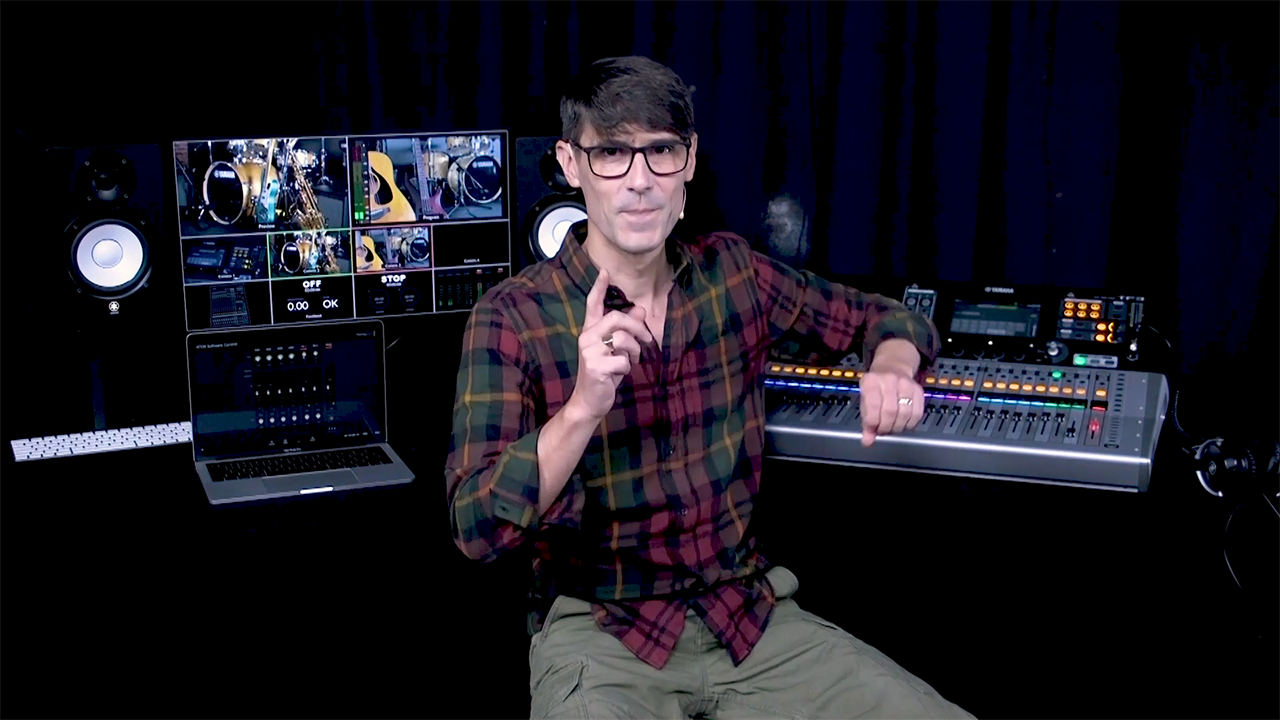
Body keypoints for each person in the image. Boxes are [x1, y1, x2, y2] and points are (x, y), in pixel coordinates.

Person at [445, 56, 976, 720]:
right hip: (603, 634)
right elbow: (476, 528)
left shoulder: (734, 273)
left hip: (748, 620)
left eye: (661, 151)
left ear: (689, 160)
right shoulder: (511, 317)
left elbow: (885, 317)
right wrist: (582, 407)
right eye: (611, 153)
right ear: (571, 164)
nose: (640, 181)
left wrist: (894, 362)